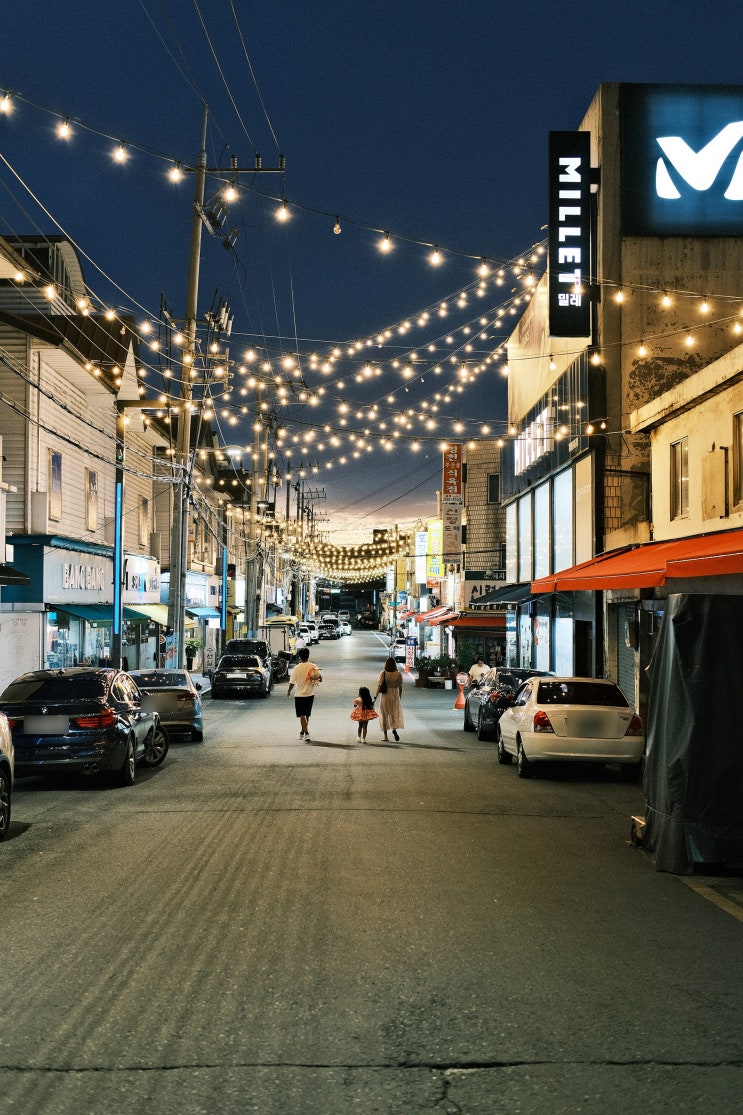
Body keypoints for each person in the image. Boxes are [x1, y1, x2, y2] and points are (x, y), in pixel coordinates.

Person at [287, 646, 322, 741]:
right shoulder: (313, 666)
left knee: (302, 715)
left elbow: (292, 682)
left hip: (299, 695)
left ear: (299, 657)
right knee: (307, 714)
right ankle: (303, 731)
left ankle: (306, 732)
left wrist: (289, 691)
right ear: (308, 656)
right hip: (310, 694)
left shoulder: (296, 668)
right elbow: (320, 678)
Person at [374, 656, 404, 742]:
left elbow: (379, 687)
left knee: (384, 715)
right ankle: (394, 729)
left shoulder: (383, 673)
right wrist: (399, 697)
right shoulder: (398, 674)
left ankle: (386, 736)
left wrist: (375, 698)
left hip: (385, 696)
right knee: (393, 714)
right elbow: (400, 687)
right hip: (394, 696)